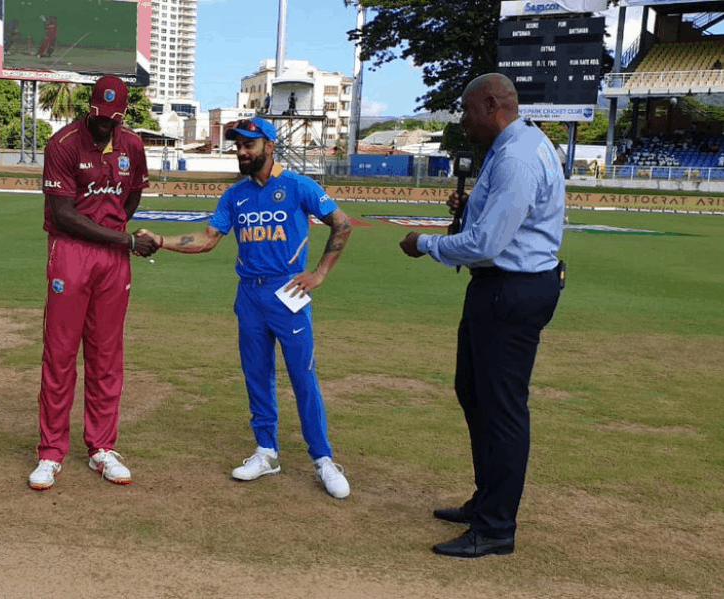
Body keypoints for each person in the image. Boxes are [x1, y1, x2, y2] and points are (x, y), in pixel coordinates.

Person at [138, 116, 354, 500]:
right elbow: (207, 239)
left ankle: (322, 459)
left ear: (269, 147)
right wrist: (160, 239)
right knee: (257, 376)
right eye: (237, 146)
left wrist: (320, 273)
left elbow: (342, 224)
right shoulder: (234, 195)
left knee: (303, 378)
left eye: (248, 145)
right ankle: (266, 452)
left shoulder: (298, 186)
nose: (241, 152)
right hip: (250, 296)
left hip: (288, 291)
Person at [399, 73, 564, 558]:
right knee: (474, 392)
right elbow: (510, 218)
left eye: (468, 110)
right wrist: (473, 205)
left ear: (492, 105)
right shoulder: (514, 145)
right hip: (501, 288)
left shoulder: (515, 156)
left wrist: (424, 243)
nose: (464, 120)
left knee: (502, 408)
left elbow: (487, 243)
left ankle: (495, 527)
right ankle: (487, 501)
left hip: (511, 290)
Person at [28, 75, 157, 491]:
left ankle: (101, 447)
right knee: (60, 353)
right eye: (100, 119)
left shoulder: (132, 145)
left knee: (106, 355)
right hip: (71, 252)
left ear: (122, 114)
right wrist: (123, 238)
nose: (105, 127)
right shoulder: (62, 144)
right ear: (90, 109)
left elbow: (131, 196)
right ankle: (51, 452)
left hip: (113, 258)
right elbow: (63, 213)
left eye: (112, 121)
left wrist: (115, 229)